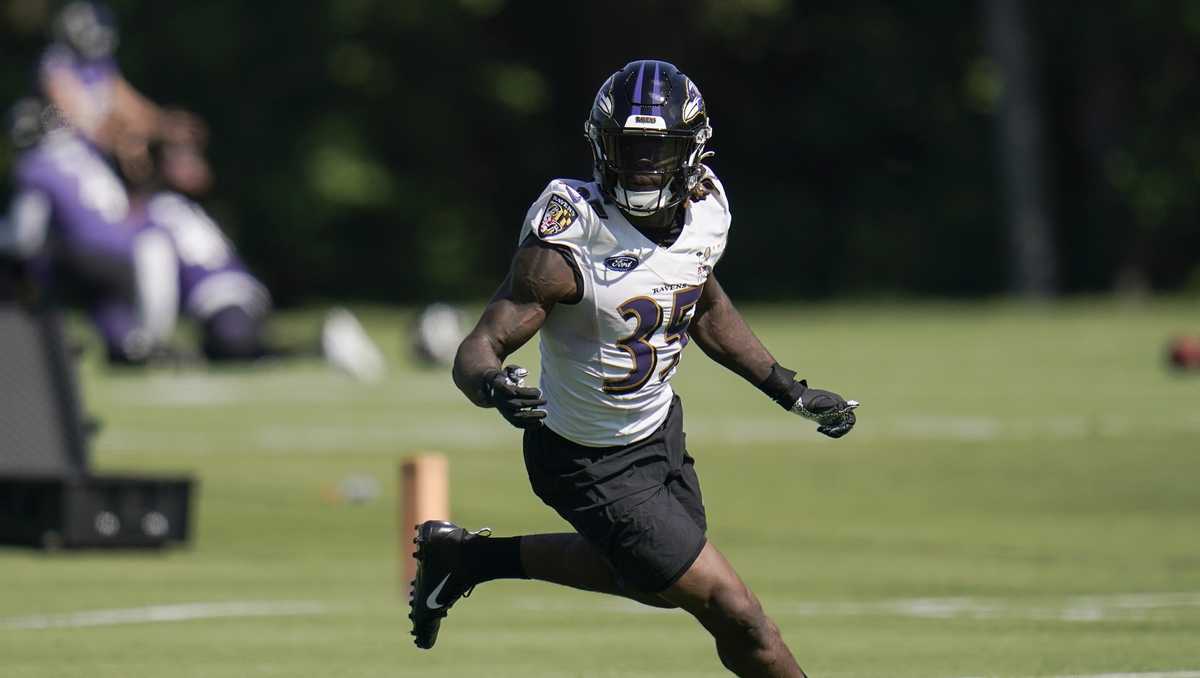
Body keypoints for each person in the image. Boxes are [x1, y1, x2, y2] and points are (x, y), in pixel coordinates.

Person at [411, 60, 859, 677]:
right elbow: (479, 347)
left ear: (692, 151)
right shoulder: (571, 238)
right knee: (737, 612)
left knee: (658, 585)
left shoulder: (707, 210)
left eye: (658, 150)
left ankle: (467, 559)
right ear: (601, 147)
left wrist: (789, 389)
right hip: (584, 458)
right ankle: (469, 561)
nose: (642, 167)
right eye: (629, 149)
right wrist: (494, 386)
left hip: (657, 433)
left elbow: (702, 300)